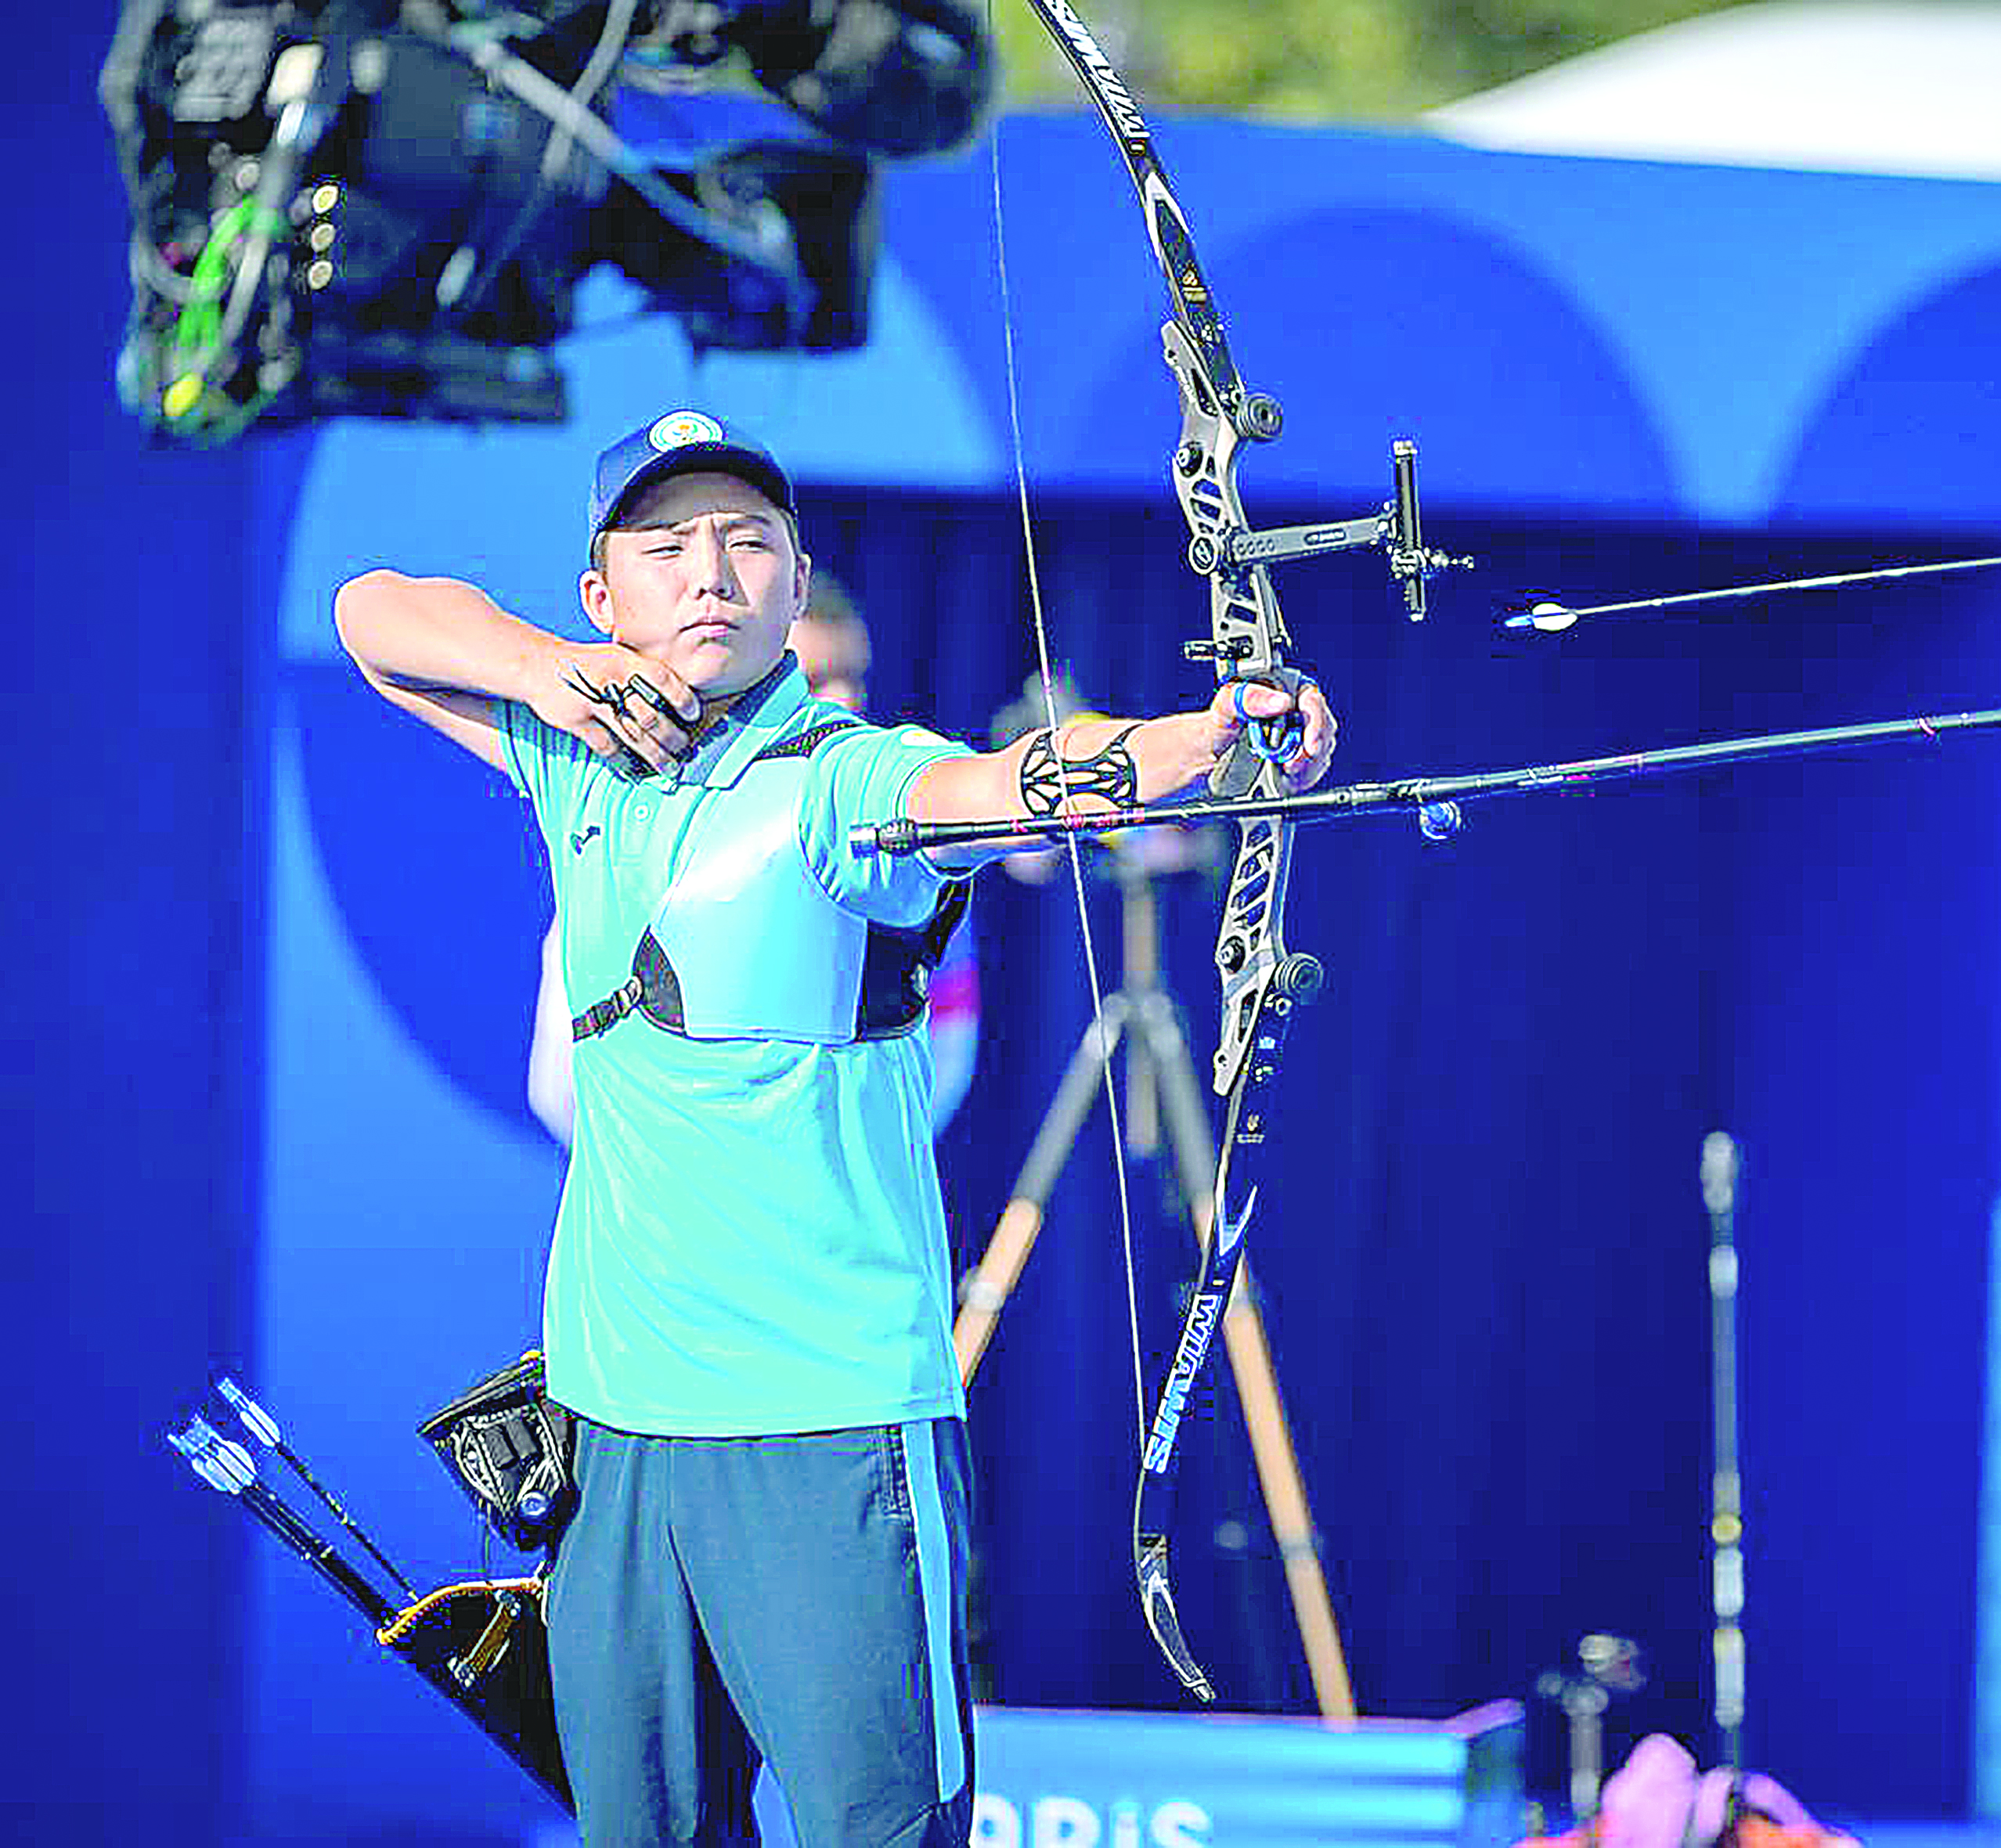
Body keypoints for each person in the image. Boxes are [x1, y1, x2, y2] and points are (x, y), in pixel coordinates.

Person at [333, 408, 1338, 1848]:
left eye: (749, 545)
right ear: (602, 597)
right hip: (619, 1436)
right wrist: (549, 675)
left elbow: (1004, 786)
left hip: (828, 1431)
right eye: (665, 546)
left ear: (797, 593)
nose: (711, 575)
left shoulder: (845, 781)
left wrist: (1201, 738)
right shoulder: (574, 757)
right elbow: (372, 613)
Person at [526, 567, 982, 1146]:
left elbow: (950, 1046)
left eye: (854, 676)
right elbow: (558, 1088)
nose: (844, 702)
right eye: (816, 679)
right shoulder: (631, 855)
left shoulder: (900, 852)